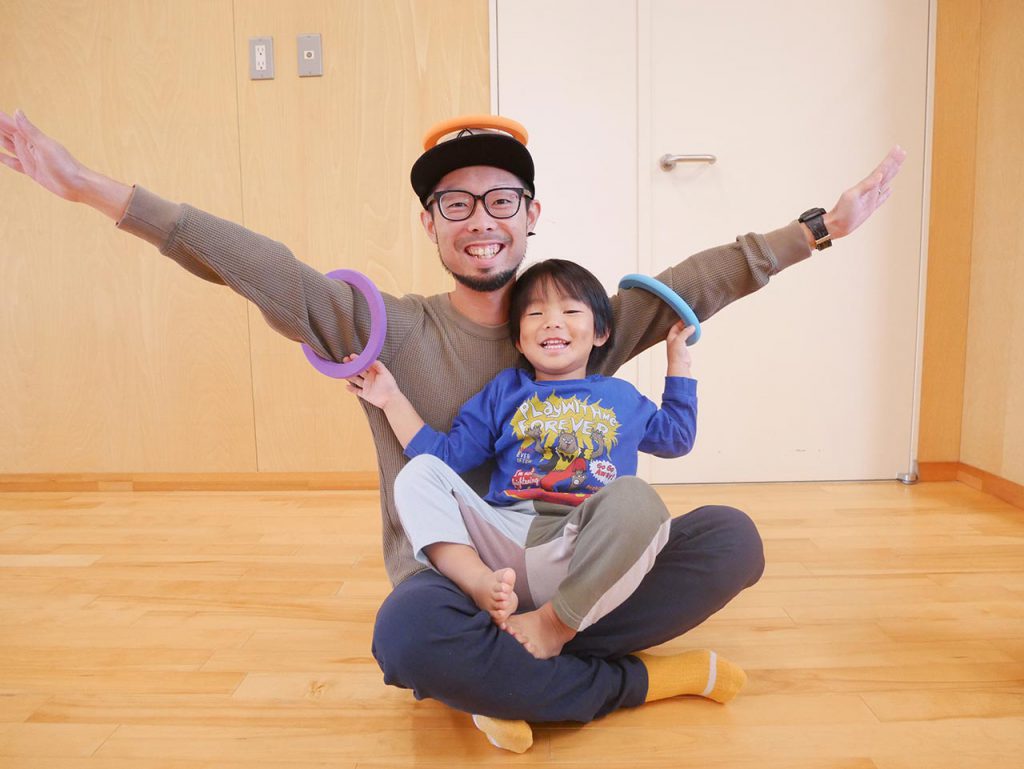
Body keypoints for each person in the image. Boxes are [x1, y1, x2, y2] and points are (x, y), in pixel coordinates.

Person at [0, 109, 906, 753]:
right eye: (457, 204)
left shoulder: (578, 321)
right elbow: (259, 268)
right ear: (430, 224)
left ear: (532, 215)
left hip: (575, 561)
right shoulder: (383, 327)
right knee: (406, 635)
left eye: (502, 200)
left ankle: (509, 669)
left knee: (732, 541)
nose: (482, 221)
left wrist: (818, 229)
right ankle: (635, 678)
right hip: (462, 585)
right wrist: (90, 189)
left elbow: (696, 281)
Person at [344, 257, 706, 663]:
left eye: (570, 311)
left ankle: (556, 624)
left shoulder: (622, 397)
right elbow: (445, 457)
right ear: (518, 340)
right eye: (535, 314)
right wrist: (390, 399)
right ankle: (475, 581)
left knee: (638, 499)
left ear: (601, 333)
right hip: (504, 542)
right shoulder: (505, 391)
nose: (552, 323)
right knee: (418, 473)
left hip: (581, 546)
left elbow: (677, 439)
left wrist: (679, 363)